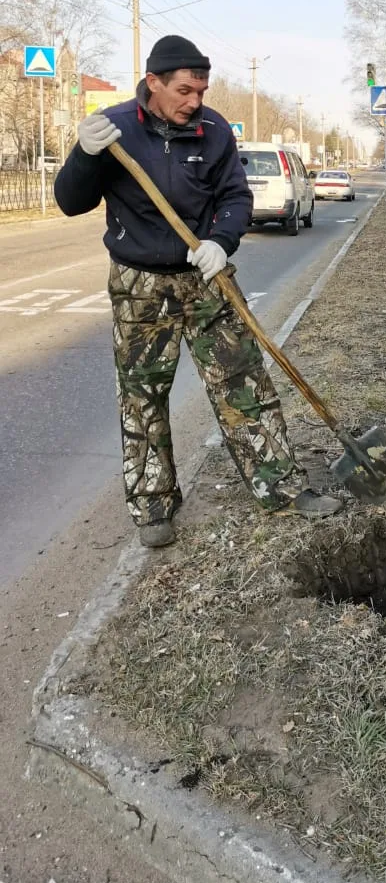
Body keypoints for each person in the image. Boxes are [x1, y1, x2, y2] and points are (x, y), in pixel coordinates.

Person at [55, 35, 334, 548]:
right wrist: (84, 156)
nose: (194, 101)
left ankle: (279, 488)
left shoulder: (214, 130)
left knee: (244, 384)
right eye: (184, 90)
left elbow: (235, 195)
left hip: (206, 279)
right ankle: (153, 506)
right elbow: (71, 202)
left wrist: (221, 242)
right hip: (139, 287)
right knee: (142, 398)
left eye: (200, 90)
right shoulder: (115, 131)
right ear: (153, 83)